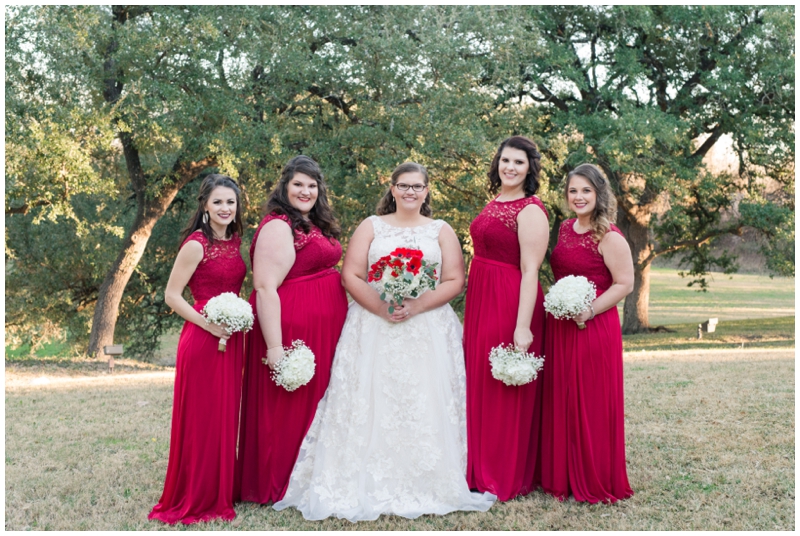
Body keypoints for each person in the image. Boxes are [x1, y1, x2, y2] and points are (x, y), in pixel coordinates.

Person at [274, 162, 495, 521]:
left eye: (417, 186)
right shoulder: (371, 226)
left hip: (427, 327)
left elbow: (455, 280)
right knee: (369, 397)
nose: (410, 192)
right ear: (391, 189)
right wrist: (381, 306)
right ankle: (362, 479)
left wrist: (417, 303)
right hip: (373, 324)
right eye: (403, 185)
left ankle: (425, 480)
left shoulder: (441, 230)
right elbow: (351, 274)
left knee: (423, 398)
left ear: (426, 191)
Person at [236, 155, 348, 504]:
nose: (306, 191)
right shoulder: (277, 225)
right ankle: (278, 482)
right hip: (292, 331)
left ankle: (312, 477)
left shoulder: (314, 223)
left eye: (312, 185)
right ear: (284, 187)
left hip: (326, 328)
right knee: (288, 405)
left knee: (317, 405)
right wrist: (275, 347)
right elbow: (266, 287)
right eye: (298, 184)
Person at [149, 174, 247, 524]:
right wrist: (209, 325)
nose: (225, 208)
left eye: (230, 202)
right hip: (203, 339)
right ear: (205, 205)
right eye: (218, 202)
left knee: (224, 416)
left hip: (232, 339)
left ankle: (221, 490)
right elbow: (172, 296)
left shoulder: (236, 242)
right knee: (203, 417)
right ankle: (198, 495)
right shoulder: (195, 245)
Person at [540, 163, 634, 503]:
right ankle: (561, 476)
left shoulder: (609, 236)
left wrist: (589, 309)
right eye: (573, 191)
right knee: (561, 398)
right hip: (561, 326)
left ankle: (593, 475)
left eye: (586, 191)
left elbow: (625, 283)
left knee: (589, 399)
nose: (578, 197)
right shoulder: (564, 229)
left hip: (594, 325)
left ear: (599, 194)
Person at [463, 136, 550, 501]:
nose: (510, 168)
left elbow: (531, 270)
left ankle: (502, 475)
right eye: (505, 161)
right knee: (479, 381)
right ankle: (476, 467)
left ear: (529, 168)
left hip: (510, 300)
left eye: (518, 162)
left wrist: (522, 325)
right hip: (482, 297)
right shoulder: (496, 201)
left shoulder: (530, 209)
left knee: (503, 387)